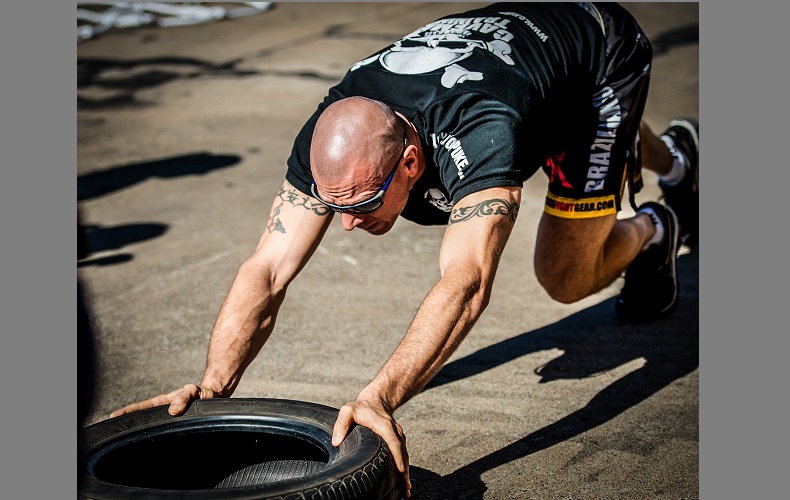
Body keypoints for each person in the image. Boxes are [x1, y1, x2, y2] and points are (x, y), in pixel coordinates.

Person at [110, 3, 698, 496]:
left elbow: (466, 282)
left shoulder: (485, 130)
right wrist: (213, 389)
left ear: (412, 163)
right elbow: (267, 269)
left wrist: (379, 398)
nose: (345, 226)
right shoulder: (335, 132)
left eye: (363, 204)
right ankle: (678, 156)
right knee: (565, 114)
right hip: (527, 58)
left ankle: (653, 227)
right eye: (334, 205)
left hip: (599, 55)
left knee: (565, 275)